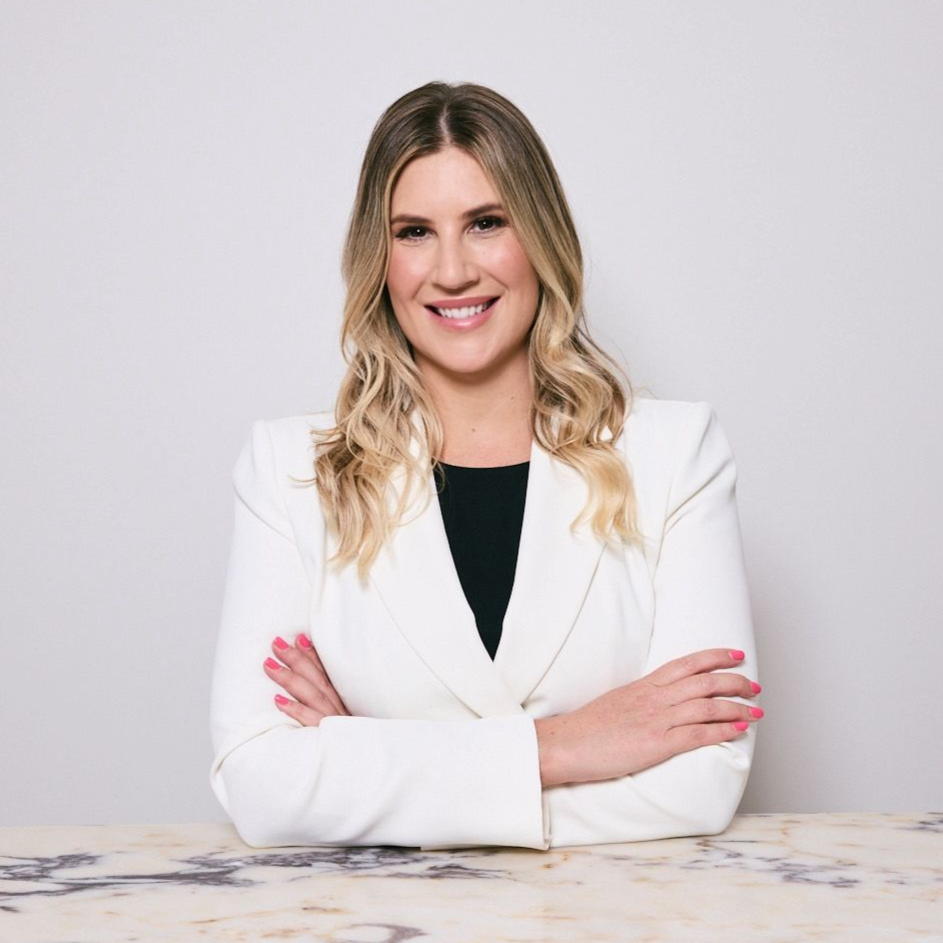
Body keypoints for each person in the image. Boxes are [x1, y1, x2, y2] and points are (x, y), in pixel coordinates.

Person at [208, 81, 761, 851]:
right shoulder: (289, 471)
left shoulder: (675, 453)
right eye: (413, 232)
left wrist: (368, 759)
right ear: (379, 257)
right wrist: (565, 745)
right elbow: (261, 784)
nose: (453, 270)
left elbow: (701, 781)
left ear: (538, 236)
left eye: (485, 222)